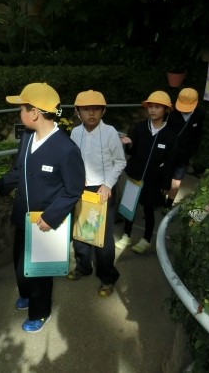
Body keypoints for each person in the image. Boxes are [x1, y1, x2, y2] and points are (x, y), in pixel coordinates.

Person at [0, 83, 85, 333]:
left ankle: (40, 312)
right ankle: (26, 294)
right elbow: (18, 171)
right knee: (20, 262)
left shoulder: (66, 149)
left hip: (45, 223)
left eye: (21, 108)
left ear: (33, 113)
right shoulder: (27, 137)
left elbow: (73, 189)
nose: (19, 113)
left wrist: (51, 216)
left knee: (40, 272)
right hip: (23, 216)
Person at [67, 90, 126, 297]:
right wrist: (76, 178)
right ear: (78, 112)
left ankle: (107, 276)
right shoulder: (75, 133)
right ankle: (83, 266)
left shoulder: (110, 132)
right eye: (86, 109)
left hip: (103, 190)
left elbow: (120, 162)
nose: (91, 113)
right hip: (81, 189)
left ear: (103, 111)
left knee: (103, 238)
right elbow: (73, 160)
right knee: (81, 231)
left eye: (96, 109)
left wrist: (108, 184)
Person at [115, 91, 177, 254]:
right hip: (135, 176)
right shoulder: (140, 128)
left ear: (166, 110)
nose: (153, 110)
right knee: (130, 207)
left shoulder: (170, 135)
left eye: (157, 107)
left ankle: (146, 239)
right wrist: (129, 144)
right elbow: (133, 151)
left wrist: (166, 184)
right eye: (150, 107)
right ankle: (126, 235)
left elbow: (170, 162)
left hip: (154, 180)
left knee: (149, 209)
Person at [163, 88, 205, 213]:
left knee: (176, 180)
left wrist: (193, 150)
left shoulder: (199, 113)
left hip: (184, 153)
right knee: (164, 176)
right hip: (168, 151)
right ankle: (158, 199)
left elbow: (198, 134)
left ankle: (168, 205)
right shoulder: (171, 113)